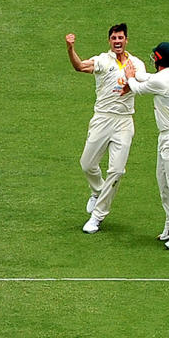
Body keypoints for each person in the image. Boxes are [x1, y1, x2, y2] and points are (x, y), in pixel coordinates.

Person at [65, 24, 147, 234]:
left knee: (117, 170)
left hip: (124, 121)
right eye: (113, 38)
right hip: (102, 118)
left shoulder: (136, 63)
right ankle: (97, 192)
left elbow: (143, 85)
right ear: (109, 41)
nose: (117, 41)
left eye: (120, 37)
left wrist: (131, 80)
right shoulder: (103, 60)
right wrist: (70, 48)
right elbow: (80, 67)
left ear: (126, 40)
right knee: (86, 164)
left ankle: (97, 216)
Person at [123, 42, 169, 250]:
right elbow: (149, 78)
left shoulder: (162, 81)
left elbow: (138, 88)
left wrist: (130, 76)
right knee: (163, 182)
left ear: (159, 60)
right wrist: (136, 72)